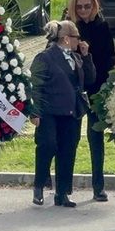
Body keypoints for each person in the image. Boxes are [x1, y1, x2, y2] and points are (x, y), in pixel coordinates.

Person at [29, 20, 96, 208]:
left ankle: (63, 192)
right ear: (66, 39)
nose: (79, 41)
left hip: (72, 112)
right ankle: (39, 185)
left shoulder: (77, 58)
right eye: (76, 37)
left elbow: (90, 79)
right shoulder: (45, 57)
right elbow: (35, 85)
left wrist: (87, 57)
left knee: (68, 151)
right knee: (48, 145)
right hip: (50, 112)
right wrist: (34, 112)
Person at [65, 0, 115, 202]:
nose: (84, 10)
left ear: (94, 6)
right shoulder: (68, 26)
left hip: (97, 89)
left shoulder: (102, 25)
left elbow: (111, 55)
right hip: (75, 89)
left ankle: (98, 186)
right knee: (71, 138)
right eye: (79, 7)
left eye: (87, 6)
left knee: (96, 138)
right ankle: (64, 187)